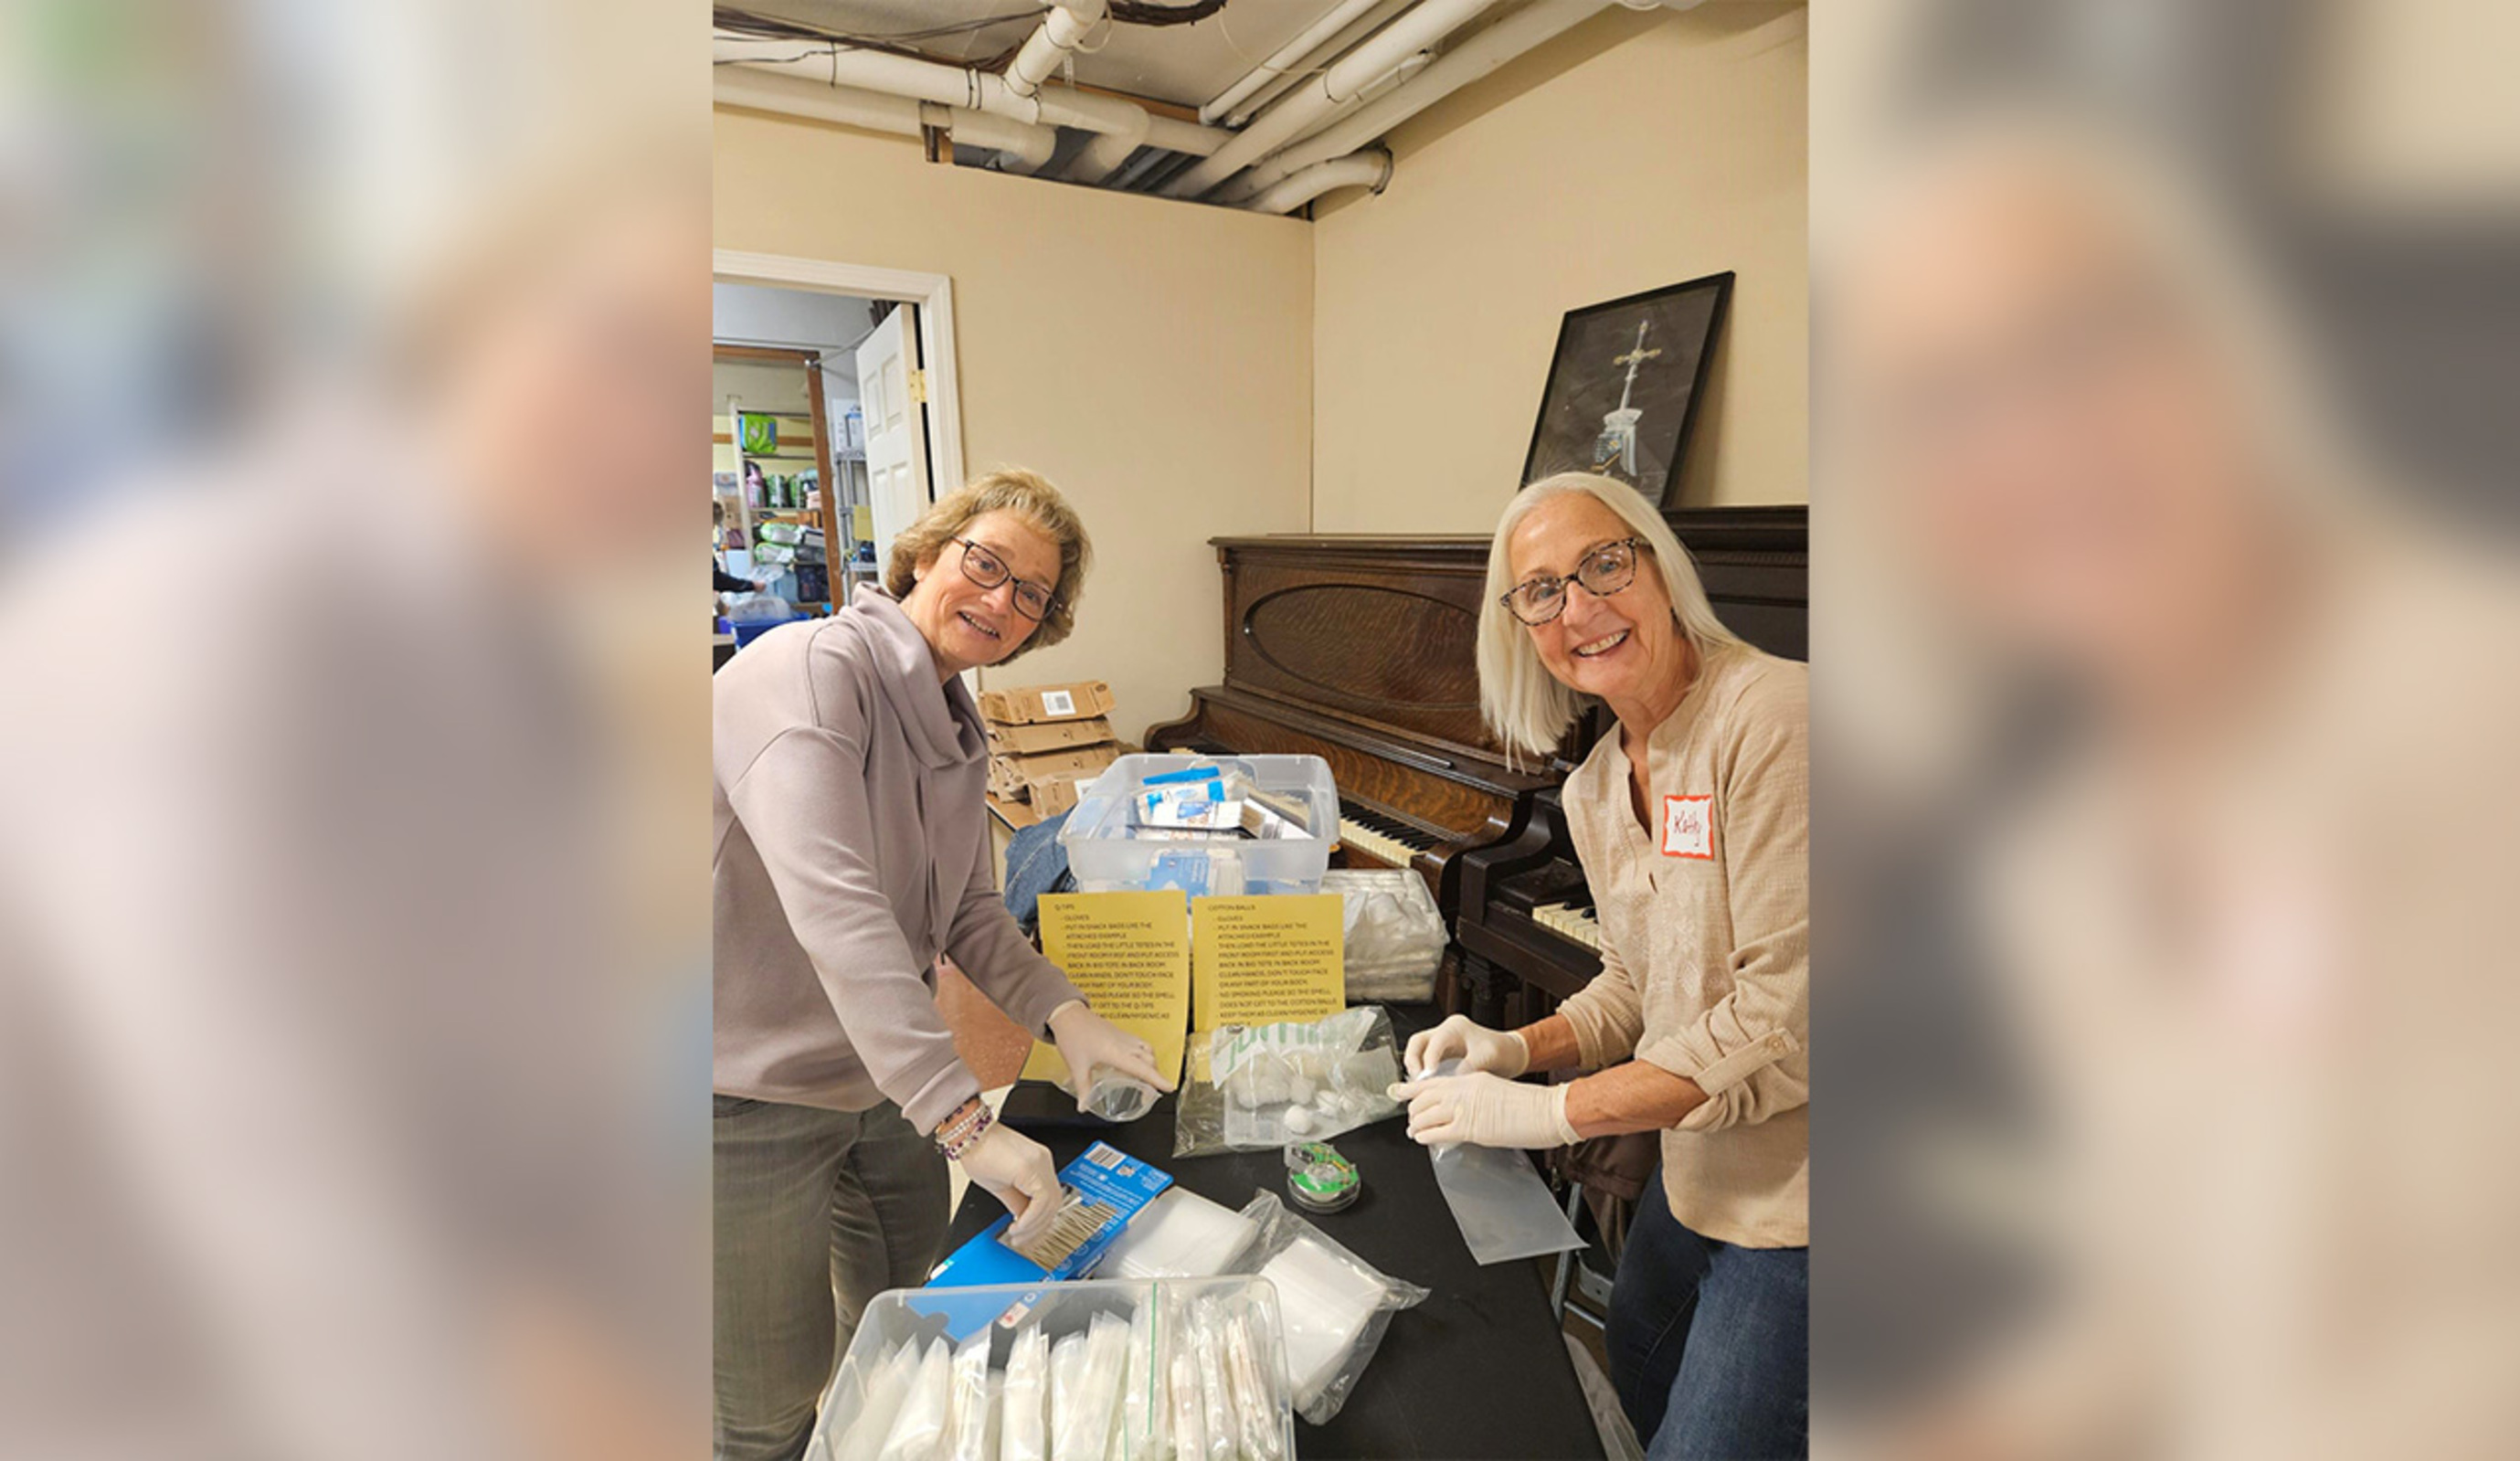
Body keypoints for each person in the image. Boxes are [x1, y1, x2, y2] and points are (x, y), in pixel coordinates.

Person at [711, 468, 1173, 1461]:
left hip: (877, 1078)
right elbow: (838, 912)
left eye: (1032, 594)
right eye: (986, 564)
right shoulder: (809, 675)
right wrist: (964, 1121)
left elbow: (965, 911)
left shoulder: (958, 726)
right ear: (925, 554)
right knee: (765, 1398)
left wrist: (1067, 1014)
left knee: (898, 1318)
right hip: (738, 1093)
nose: (1001, 602)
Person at [1392, 471, 1809, 1459]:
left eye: (1602, 565)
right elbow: (1634, 985)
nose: (1579, 608)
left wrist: (1551, 1114)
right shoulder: (1595, 784)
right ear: (1522, 628)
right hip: (1701, 1166)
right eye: (1542, 590)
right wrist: (1510, 1048)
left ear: (1658, 568)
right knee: (1635, 1359)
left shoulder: (1777, 719)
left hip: (1811, 1204)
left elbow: (1782, 1021)